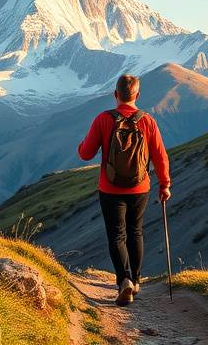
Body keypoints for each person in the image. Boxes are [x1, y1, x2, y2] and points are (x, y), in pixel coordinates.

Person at [77, 74, 171, 306]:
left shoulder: (103, 119)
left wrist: (82, 144)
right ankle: (136, 281)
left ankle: (124, 281)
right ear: (137, 95)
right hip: (140, 187)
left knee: (117, 235)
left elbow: (86, 153)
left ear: (115, 94)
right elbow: (160, 156)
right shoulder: (147, 121)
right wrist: (165, 184)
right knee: (135, 231)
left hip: (110, 188)